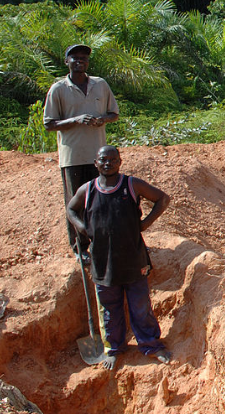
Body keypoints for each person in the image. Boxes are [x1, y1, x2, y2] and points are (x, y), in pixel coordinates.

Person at [66, 145, 171, 370]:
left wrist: (144, 224)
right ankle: (113, 348)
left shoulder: (132, 185)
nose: (108, 163)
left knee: (140, 305)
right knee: (108, 307)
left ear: (120, 162)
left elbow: (163, 199)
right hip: (103, 263)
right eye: (103, 160)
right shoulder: (88, 190)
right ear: (96, 163)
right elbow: (71, 209)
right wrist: (84, 229)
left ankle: (151, 345)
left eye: (113, 160)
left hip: (134, 259)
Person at [44, 44, 119, 262]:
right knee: (76, 203)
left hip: (100, 157)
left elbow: (113, 113)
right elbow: (49, 123)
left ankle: (102, 243)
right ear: (66, 61)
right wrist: (75, 120)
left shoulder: (100, 85)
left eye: (84, 58)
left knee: (100, 200)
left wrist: (102, 119)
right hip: (73, 156)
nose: (80, 61)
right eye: (75, 58)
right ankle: (79, 247)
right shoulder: (58, 89)